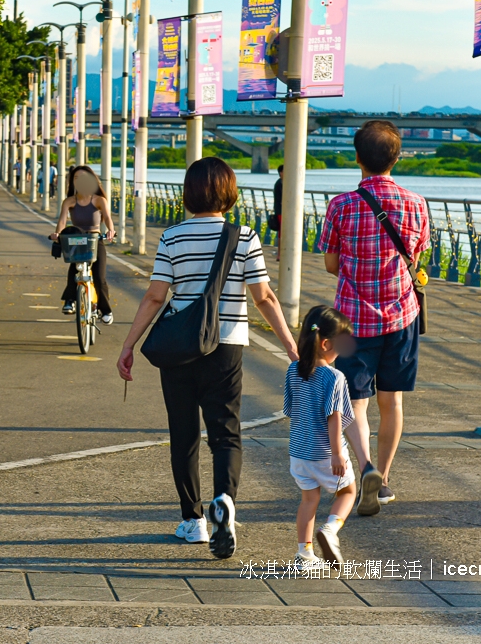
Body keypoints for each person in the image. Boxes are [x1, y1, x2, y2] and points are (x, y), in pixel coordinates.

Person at [116, 157, 299, 560]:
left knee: (183, 434)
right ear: (229, 192)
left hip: (179, 348)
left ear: (189, 192)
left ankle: (193, 520)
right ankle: (225, 505)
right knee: (225, 433)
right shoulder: (245, 237)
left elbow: (155, 296)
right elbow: (264, 297)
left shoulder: (173, 237)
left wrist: (129, 344)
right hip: (227, 346)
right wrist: (289, 343)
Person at [318, 120, 430, 517]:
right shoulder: (417, 204)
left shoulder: (342, 205)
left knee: (355, 404)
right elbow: (416, 257)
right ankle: (381, 480)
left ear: (357, 158)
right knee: (392, 401)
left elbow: (331, 263)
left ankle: (363, 466)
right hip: (402, 316)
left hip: (353, 322)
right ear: (397, 157)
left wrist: (354, 271)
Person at [286, 305, 359, 569]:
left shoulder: (293, 370)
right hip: (325, 453)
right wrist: (338, 453)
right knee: (349, 491)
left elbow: (291, 409)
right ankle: (330, 530)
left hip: (299, 452)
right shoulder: (334, 377)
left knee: (309, 500)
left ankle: (304, 555)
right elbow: (334, 417)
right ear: (327, 343)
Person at [48, 166, 116, 324]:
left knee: (99, 277)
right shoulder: (69, 202)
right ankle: (70, 300)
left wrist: (111, 231)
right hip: (76, 240)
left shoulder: (99, 200)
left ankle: (105, 310)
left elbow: (107, 218)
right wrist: (57, 234)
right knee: (74, 270)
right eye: (76, 178)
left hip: (94, 239)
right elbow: (62, 221)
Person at [270, 164, 284, 261]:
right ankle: (280, 254)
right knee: (282, 233)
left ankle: (281, 253)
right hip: (281, 211)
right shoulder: (280, 184)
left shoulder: (280, 183)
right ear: (281, 173)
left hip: (281, 211)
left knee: (282, 233)